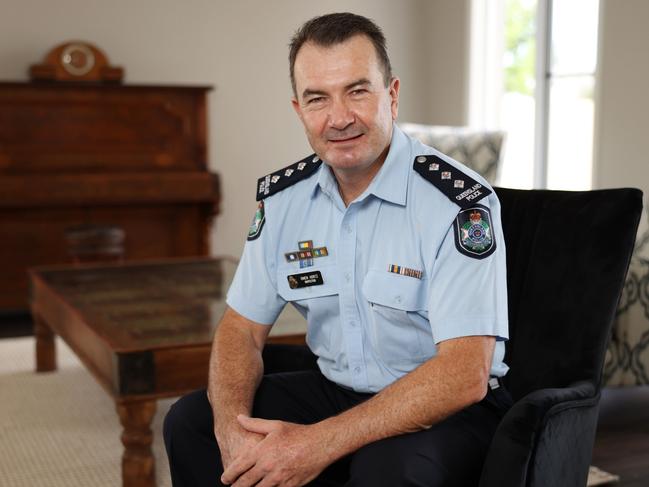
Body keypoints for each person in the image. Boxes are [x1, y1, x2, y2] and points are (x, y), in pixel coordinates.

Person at [164, 12, 511, 487]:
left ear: (391, 94)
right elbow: (241, 328)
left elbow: (464, 373)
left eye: (357, 91)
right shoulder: (285, 201)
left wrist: (317, 443)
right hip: (336, 388)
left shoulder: (459, 204)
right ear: (298, 109)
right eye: (318, 99)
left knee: (385, 469)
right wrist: (229, 430)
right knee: (192, 422)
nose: (339, 117)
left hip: (446, 406)